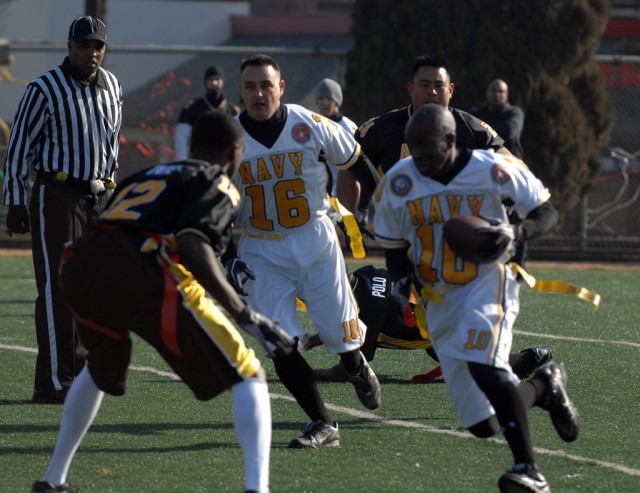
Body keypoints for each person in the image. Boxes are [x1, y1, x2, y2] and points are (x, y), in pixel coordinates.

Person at [30, 111, 295, 493]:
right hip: (140, 265)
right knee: (248, 371)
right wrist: (245, 314)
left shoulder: (146, 175)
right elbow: (191, 243)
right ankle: (258, 488)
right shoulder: (215, 180)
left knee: (102, 363)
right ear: (235, 154)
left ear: (190, 146)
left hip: (80, 264)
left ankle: (53, 479)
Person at [373, 104, 579, 492]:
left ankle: (529, 470)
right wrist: (400, 282)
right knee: (483, 424)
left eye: (427, 147)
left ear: (451, 140)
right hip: (438, 297)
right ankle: (545, 385)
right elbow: (396, 243)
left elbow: (546, 210)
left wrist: (516, 232)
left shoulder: (491, 168)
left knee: (484, 366)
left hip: (490, 283)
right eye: (412, 147)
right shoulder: (400, 180)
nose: (418, 156)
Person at [228, 54, 381, 449]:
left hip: (315, 239)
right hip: (260, 247)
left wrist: (381, 203)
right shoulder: (228, 137)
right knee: (278, 341)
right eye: (250, 86)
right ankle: (322, 422)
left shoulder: (308, 124)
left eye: (266, 85)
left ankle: (353, 363)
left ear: (281, 88)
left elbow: (355, 158)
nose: (259, 93)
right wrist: (228, 256)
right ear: (240, 91)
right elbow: (210, 202)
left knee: (340, 334)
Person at [2, 16, 123, 404]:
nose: (92, 53)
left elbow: (111, 143)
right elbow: (19, 147)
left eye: (98, 46)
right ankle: (53, 381)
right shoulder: (44, 89)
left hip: (97, 196)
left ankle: (82, 373)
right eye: (85, 45)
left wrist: (112, 189)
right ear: (69, 46)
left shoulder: (113, 85)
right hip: (58, 194)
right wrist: (16, 200)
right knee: (59, 287)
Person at [307, 265, 552, 383]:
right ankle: (523, 359)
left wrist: (310, 374)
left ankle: (522, 360)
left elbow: (352, 367)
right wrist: (316, 338)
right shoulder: (367, 273)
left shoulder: (365, 313)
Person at [174, 65, 241, 160]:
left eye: (217, 79)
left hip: (225, 160)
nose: (214, 83)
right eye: (210, 80)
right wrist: (183, 161)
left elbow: (239, 139)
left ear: (223, 81)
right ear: (205, 82)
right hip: (200, 159)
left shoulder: (232, 110)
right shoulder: (193, 108)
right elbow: (181, 137)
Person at [470, 78, 525, 159]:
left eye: (501, 91)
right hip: (481, 160)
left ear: (507, 95)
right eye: (493, 90)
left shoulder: (515, 113)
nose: (497, 94)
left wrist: (482, 131)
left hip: (509, 161)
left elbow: (509, 133)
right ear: (486, 93)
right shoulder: (475, 113)